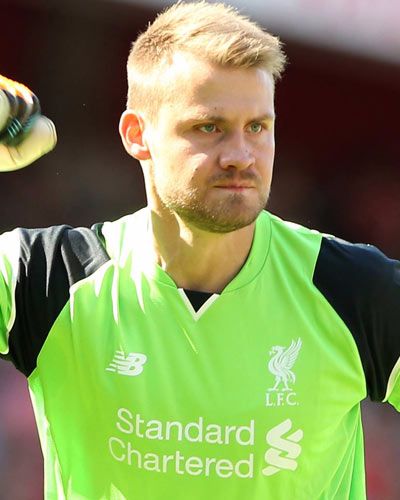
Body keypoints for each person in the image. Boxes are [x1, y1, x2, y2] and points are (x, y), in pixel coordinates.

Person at [0, 2, 399, 499]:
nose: (241, 156)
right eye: (209, 127)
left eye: (258, 127)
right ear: (137, 135)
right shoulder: (45, 277)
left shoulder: (353, 290)